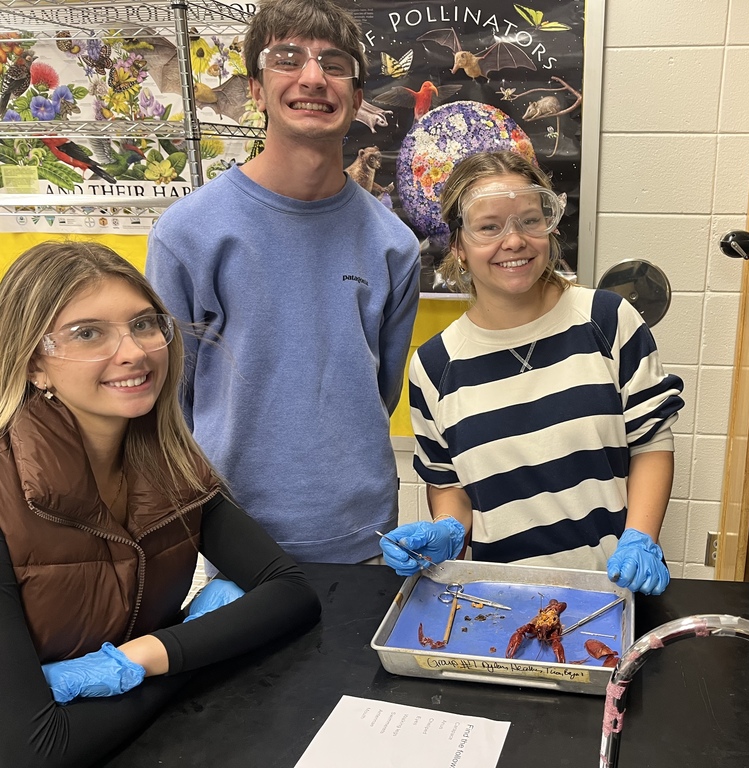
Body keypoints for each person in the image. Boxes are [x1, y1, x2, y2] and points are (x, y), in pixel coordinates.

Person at [0, 241, 322, 766]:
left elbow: (292, 593)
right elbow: (31, 751)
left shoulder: (169, 464)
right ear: (34, 363)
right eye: (88, 333)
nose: (133, 351)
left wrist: (146, 656)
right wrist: (196, 647)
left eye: (145, 324)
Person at [146, 0, 420, 563]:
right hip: (228, 539)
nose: (313, 78)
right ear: (255, 88)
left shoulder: (394, 244)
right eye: (288, 58)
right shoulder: (189, 235)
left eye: (335, 63)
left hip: (362, 536)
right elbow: (168, 403)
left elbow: (381, 391)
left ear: (359, 97)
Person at [379, 151, 684, 595]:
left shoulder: (607, 320)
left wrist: (642, 537)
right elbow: (449, 487)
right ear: (459, 247)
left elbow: (651, 443)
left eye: (528, 220)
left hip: (610, 594)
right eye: (489, 227)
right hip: (497, 603)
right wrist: (446, 528)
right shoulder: (434, 365)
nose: (514, 240)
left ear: (549, 227)